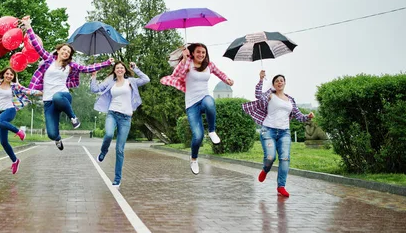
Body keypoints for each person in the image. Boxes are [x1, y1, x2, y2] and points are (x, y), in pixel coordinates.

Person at [19, 16, 114, 150]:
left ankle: (73, 118)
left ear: (69, 56)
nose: (65, 52)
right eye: (63, 50)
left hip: (63, 96)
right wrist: (28, 27)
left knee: (58, 96)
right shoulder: (48, 60)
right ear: (58, 51)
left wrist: (106, 63)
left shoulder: (71, 66)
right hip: (48, 101)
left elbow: (87, 69)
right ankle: (57, 139)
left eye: (68, 52)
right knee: (51, 134)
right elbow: (36, 45)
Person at [161, 43, 234, 175]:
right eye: (198, 52)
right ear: (193, 53)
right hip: (191, 104)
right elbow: (176, 75)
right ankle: (194, 159)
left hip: (204, 98)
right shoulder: (187, 63)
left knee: (210, 102)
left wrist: (227, 79)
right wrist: (183, 60)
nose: (201, 55)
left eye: (203, 53)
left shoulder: (209, 65)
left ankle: (212, 131)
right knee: (198, 136)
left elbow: (219, 73)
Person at [242, 70, 314, 197]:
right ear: (273, 84)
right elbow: (258, 95)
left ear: (285, 83)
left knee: (285, 158)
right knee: (270, 157)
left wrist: (307, 117)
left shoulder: (290, 100)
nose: (279, 82)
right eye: (277, 81)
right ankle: (265, 169)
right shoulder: (269, 95)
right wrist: (260, 79)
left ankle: (281, 186)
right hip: (268, 130)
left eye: (281, 80)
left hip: (284, 133)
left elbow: (298, 116)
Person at [91, 61, 150, 188]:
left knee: (120, 149)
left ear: (124, 70)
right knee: (108, 134)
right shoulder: (110, 82)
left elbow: (146, 79)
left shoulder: (131, 81)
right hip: (112, 113)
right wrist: (94, 76)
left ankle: (117, 179)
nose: (119, 69)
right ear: (114, 70)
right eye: (117, 68)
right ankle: (103, 152)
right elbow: (94, 89)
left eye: (121, 67)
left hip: (126, 118)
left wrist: (136, 68)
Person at [0, 55, 42, 174]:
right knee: (3, 142)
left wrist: (41, 92)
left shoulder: (14, 86)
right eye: (7, 74)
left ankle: (19, 132)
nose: (9, 76)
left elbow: (28, 91)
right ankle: (15, 160)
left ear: (13, 77)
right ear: (3, 74)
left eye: (11, 75)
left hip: (10, 110)